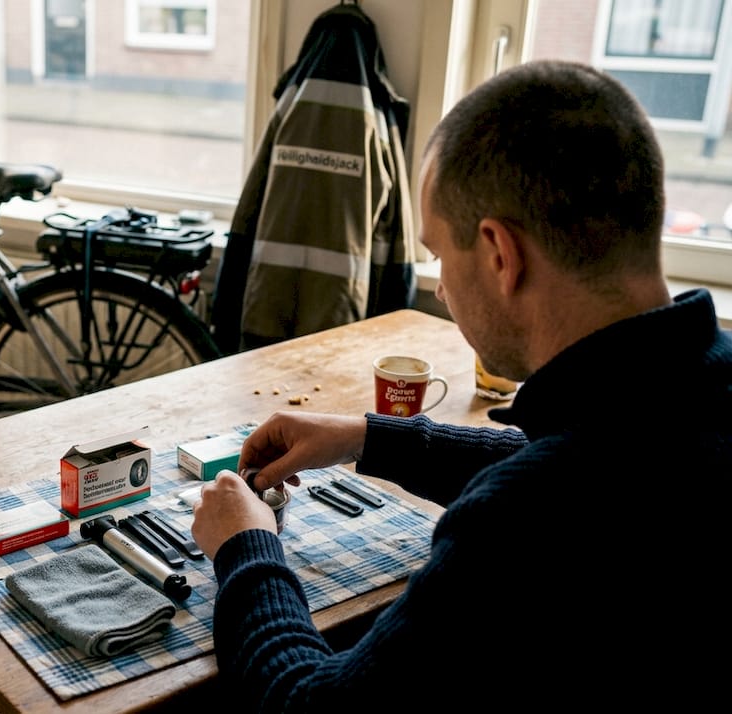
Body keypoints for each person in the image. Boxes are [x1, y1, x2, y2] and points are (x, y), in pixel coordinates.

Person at [190, 59, 732, 710]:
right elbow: (584, 460)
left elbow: (310, 707)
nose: (442, 284)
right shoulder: (693, 392)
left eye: (441, 254)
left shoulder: (527, 514)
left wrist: (245, 548)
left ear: (501, 254)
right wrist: (365, 437)